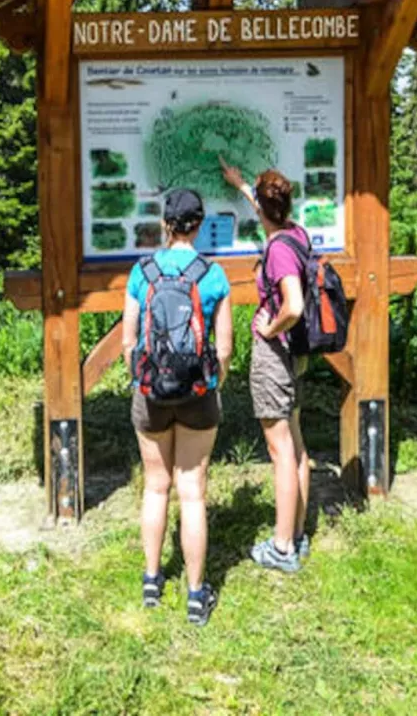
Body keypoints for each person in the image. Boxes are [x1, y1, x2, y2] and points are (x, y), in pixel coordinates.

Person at [122, 187, 233, 626]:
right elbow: (224, 350)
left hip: (150, 395)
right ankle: (194, 593)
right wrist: (209, 384)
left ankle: (151, 581)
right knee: (192, 493)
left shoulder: (141, 271)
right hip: (198, 399)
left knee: (155, 487)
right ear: (200, 225)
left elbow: (130, 340)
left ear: (166, 224)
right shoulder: (214, 275)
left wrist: (143, 380)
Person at [222, 162, 312, 573]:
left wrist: (271, 328)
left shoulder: (277, 250)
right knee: (295, 442)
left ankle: (281, 548)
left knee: (280, 450)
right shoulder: (294, 234)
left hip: (276, 357)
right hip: (296, 355)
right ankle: (296, 534)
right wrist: (241, 185)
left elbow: (293, 304)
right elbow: (268, 210)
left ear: (263, 209)